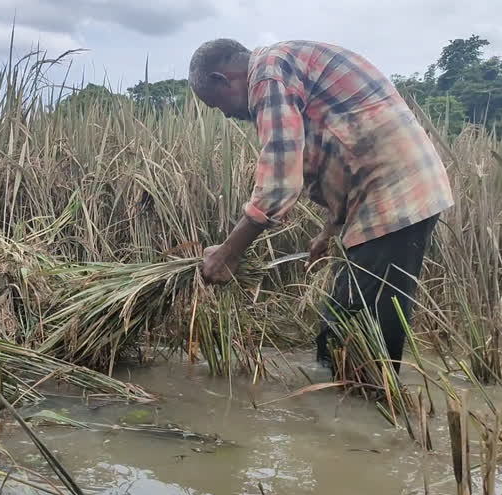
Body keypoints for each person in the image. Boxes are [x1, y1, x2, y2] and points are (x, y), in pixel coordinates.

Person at [188, 38, 454, 374]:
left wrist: (229, 253)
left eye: (217, 104)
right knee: (341, 331)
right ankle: (354, 409)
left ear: (221, 79)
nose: (224, 113)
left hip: (396, 194)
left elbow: (280, 178)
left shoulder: (268, 74)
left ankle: (373, 414)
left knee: (358, 337)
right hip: (380, 197)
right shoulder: (286, 68)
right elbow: (324, 156)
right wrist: (330, 230)